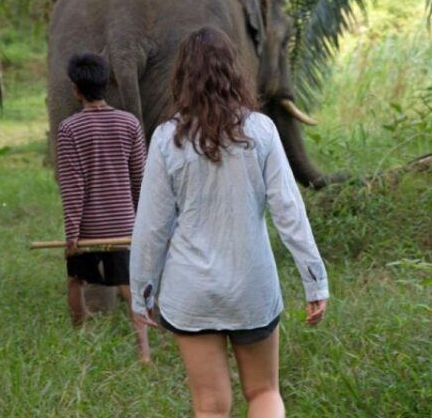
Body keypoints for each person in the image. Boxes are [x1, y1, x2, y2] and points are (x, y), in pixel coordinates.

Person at [130, 27, 329, 417]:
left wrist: (142, 293)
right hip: (252, 288)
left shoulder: (167, 139)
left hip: (192, 293)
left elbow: (151, 227)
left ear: (182, 77)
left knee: (210, 406)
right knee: (264, 392)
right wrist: (315, 280)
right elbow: (290, 212)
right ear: (234, 72)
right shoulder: (261, 130)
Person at [55, 52, 150, 363]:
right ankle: (144, 352)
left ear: (75, 89)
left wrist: (72, 236)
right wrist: (142, 222)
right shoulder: (129, 123)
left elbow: (72, 187)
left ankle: (80, 337)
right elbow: (141, 179)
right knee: (129, 286)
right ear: (106, 84)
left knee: (76, 281)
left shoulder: (69, 129)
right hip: (124, 224)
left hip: (89, 228)